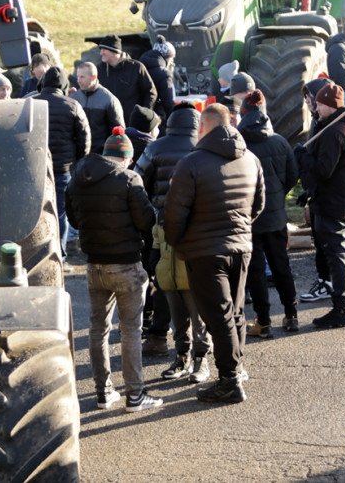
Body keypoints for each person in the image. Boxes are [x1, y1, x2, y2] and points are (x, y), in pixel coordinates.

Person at [164, 103, 265, 404]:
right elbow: (258, 205)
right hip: (241, 246)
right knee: (234, 312)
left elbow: (174, 214)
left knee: (218, 316)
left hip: (205, 252)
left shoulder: (191, 164)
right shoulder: (251, 159)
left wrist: (179, 243)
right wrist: (239, 231)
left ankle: (229, 380)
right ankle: (236, 369)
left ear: (202, 128)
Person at [66, 127, 162, 413]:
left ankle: (103, 392)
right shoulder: (129, 178)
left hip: (94, 264)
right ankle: (135, 395)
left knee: (99, 329)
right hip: (126, 264)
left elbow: (72, 217)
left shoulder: (78, 178)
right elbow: (146, 221)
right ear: (125, 158)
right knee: (131, 329)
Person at [135, 102, 212, 384]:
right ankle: (197, 360)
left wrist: (151, 215)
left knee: (170, 294)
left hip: (162, 229)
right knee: (194, 300)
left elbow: (138, 182)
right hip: (196, 232)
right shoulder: (203, 147)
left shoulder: (156, 147)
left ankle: (183, 355)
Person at [296, 82, 345, 328]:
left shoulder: (334, 132)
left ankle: (341, 309)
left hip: (334, 202)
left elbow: (324, 171)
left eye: (320, 104)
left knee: (338, 255)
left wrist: (303, 158)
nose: (316, 107)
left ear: (330, 106)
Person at [238, 90, 300, 336]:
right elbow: (292, 175)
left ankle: (263, 322)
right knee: (281, 266)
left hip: (249, 216)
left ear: (244, 114)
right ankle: (291, 315)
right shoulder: (280, 141)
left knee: (255, 271)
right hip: (275, 216)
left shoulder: (240, 144)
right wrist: (277, 196)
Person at [35, 66, 90, 261]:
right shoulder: (72, 105)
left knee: (36, 212)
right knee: (60, 212)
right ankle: (60, 255)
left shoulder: (30, 104)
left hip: (36, 168)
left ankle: (37, 253)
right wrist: (78, 161)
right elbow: (85, 137)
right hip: (63, 169)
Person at [297, 77, 335, 304]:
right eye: (307, 98)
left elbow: (324, 166)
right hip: (318, 192)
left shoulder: (328, 125)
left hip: (330, 197)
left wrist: (304, 158)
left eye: (310, 97)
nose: (308, 102)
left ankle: (329, 284)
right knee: (321, 241)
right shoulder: (316, 121)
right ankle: (327, 281)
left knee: (328, 244)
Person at [96, 35, 158, 119]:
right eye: (101, 50)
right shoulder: (99, 70)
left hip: (132, 123)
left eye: (104, 50)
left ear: (114, 51)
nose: (101, 53)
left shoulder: (136, 67)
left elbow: (150, 92)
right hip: (108, 123)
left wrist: (143, 114)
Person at [71, 61, 124, 155]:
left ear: (93, 77)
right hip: (77, 156)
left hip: (99, 155)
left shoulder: (109, 100)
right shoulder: (73, 98)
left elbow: (119, 133)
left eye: (82, 77)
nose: (78, 80)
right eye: (78, 76)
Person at [139, 35, 177, 126]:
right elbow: (168, 103)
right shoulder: (164, 74)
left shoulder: (139, 67)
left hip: (138, 115)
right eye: (171, 58)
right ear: (166, 57)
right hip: (156, 119)